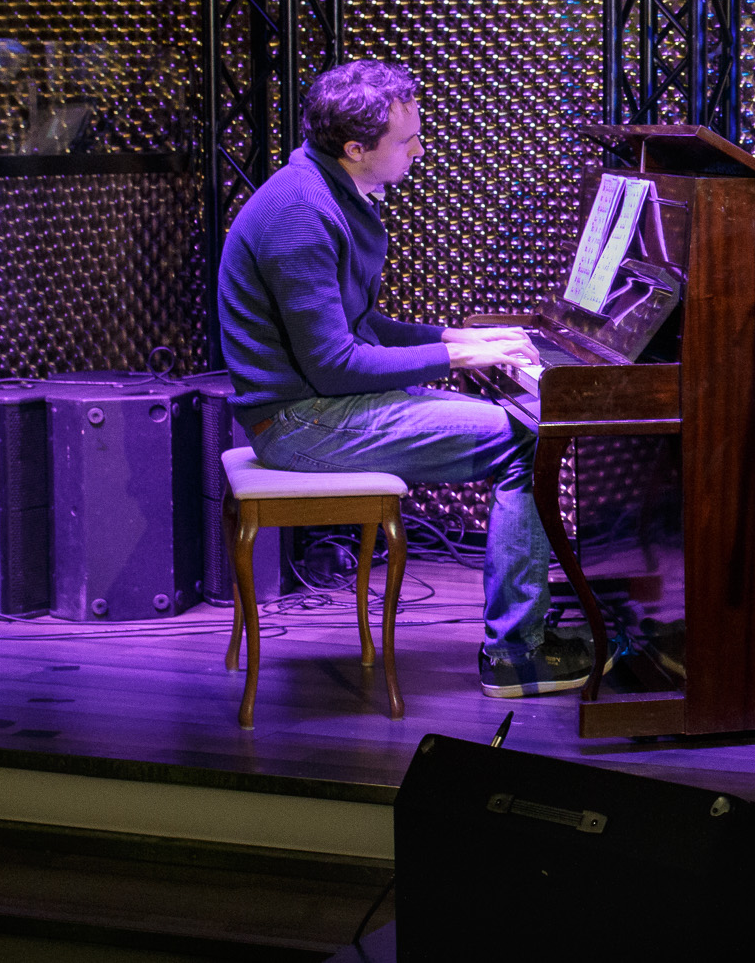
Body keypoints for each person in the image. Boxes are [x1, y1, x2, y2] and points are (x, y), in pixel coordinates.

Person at [216, 60, 591, 698]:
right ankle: (516, 655)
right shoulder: (301, 213)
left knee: (521, 431)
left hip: (316, 406)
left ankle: (524, 633)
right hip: (298, 422)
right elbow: (335, 365)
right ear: (355, 149)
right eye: (407, 139)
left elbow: (361, 326)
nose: (420, 149)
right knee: (526, 442)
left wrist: (454, 338)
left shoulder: (327, 189)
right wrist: (457, 360)